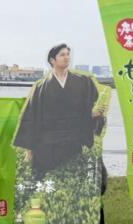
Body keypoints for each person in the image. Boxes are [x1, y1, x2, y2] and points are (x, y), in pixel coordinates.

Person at [14, 44, 104, 177]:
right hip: (46, 142)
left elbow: (94, 107)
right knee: (45, 182)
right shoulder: (41, 87)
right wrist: (29, 147)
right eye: (62, 55)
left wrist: (95, 115)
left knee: (71, 179)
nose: (67, 57)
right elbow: (31, 116)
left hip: (73, 140)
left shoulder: (84, 82)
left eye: (68, 54)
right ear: (52, 60)